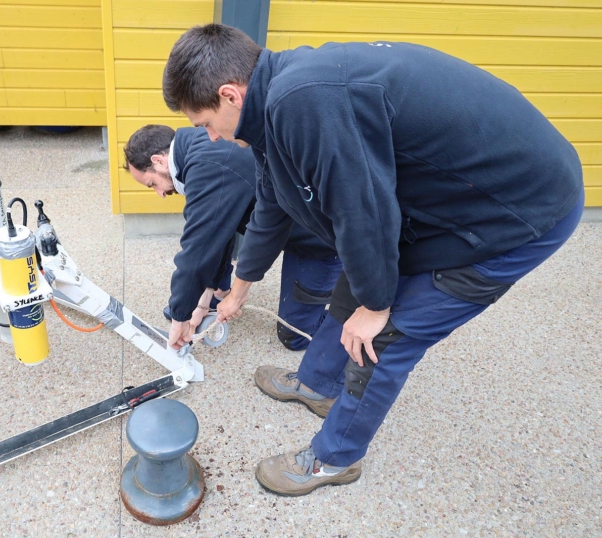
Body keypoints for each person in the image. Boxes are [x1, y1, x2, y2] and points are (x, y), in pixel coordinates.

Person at [162, 24, 584, 496]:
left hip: (518, 209)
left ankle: (334, 458)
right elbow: (273, 203)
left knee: (383, 334)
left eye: (204, 125)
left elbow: (362, 212)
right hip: (448, 200)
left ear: (230, 94)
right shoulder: (274, 106)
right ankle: (317, 382)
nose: (211, 139)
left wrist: (378, 307)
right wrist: (238, 288)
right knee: (359, 290)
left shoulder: (304, 102)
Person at [123, 124, 341, 354]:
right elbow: (217, 233)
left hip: (321, 241)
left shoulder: (211, 166)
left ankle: (364, 318)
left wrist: (181, 317)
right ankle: (216, 295)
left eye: (152, 184)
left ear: (158, 161)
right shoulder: (200, 148)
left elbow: (198, 250)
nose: (160, 194)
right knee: (202, 278)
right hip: (289, 227)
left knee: (295, 336)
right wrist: (200, 303)